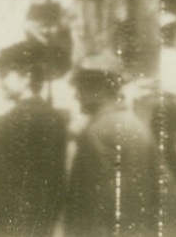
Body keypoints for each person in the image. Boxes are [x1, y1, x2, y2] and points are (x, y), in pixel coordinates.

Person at [0, 39, 68, 237]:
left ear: (26, 76)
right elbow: (56, 185)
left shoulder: (10, 122)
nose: (0, 81)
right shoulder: (55, 119)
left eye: (4, 73)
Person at [64, 54, 159, 237]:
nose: (77, 96)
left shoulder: (97, 133)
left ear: (101, 89)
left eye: (82, 88)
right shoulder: (138, 126)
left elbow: (90, 204)